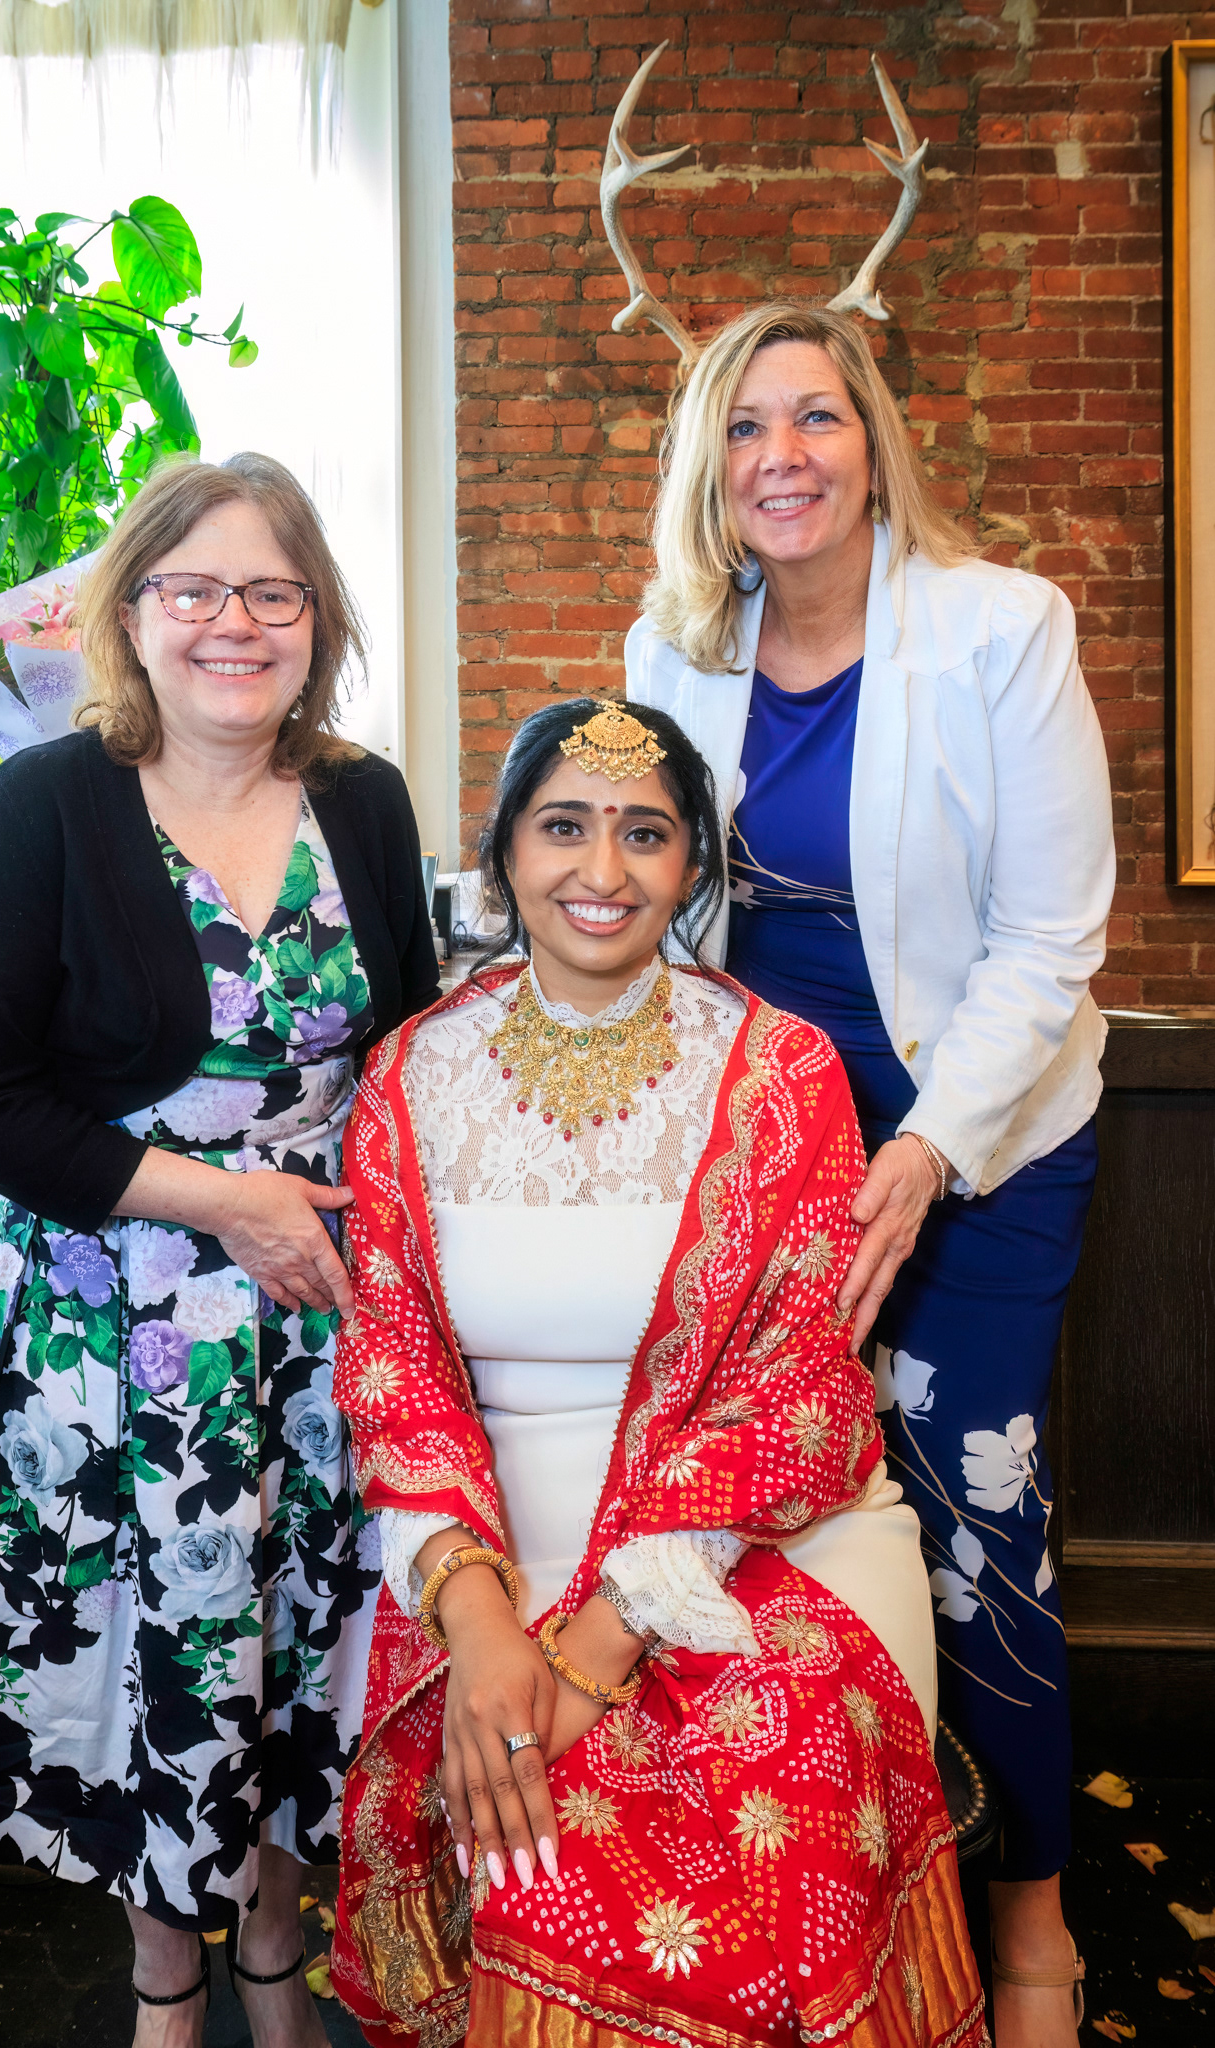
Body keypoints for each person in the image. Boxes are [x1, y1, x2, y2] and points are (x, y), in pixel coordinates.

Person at [328, 697, 986, 2048]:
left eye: (645, 834)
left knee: (762, 1791)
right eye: (562, 827)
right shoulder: (408, 1076)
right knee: (511, 1825)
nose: (602, 871)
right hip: (487, 1531)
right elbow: (393, 1363)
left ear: (692, 866)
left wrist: (601, 1641)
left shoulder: (781, 1071)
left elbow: (800, 1388)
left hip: (759, 1525)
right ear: (504, 853)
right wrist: (482, 1625)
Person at [627, 303, 1113, 2043]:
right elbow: (646, 902)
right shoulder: (673, 648)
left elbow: (1050, 940)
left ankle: (1033, 1919)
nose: (783, 457)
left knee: (976, 1530)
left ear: (871, 441)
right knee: (760, 1511)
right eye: (745, 425)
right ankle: (813, 1897)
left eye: (816, 417)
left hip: (980, 1143)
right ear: (710, 468)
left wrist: (919, 1155)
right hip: (776, 1153)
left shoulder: (998, 628)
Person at [0, 452, 440, 2047]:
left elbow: (407, 1050)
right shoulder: (48, 802)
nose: (235, 623)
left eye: (273, 592)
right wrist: (225, 1202)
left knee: (290, 1649)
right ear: (130, 615)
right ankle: (163, 1986)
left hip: (313, 1321)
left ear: (318, 620)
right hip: (107, 1320)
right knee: (164, 1659)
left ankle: (273, 1956)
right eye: (193, 588)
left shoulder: (363, 798)